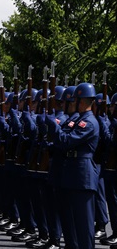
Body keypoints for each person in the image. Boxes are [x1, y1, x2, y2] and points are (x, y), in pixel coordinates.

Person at [46, 82, 100, 249]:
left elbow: (66, 141)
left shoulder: (88, 122)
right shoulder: (78, 120)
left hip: (82, 176)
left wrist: (54, 127)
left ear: (81, 101)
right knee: (69, 224)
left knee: (83, 226)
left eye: (73, 100)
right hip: (71, 173)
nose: (70, 104)